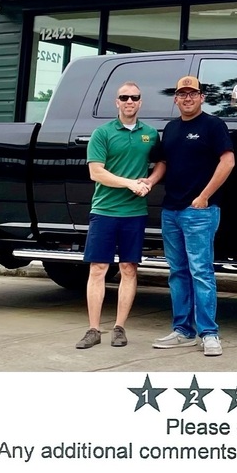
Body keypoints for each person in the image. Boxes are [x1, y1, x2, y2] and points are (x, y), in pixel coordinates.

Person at [150, 75, 235, 356]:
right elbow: (162, 163)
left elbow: (228, 161)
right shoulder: (171, 129)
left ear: (202, 97)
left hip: (199, 211)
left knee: (201, 272)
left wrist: (204, 197)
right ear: (175, 99)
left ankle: (209, 334)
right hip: (171, 212)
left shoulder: (213, 125)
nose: (187, 98)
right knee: (178, 273)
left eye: (192, 93)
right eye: (182, 94)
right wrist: (149, 182)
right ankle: (182, 331)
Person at [75, 81, 160, 350]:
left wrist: (150, 181)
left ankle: (120, 328)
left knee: (128, 268)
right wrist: (129, 183)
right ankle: (92, 329)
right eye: (124, 97)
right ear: (117, 102)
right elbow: (96, 172)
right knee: (98, 269)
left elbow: (162, 164)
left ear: (140, 102)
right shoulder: (103, 133)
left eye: (134, 97)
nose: (129, 102)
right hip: (104, 211)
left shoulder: (150, 134)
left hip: (134, 213)